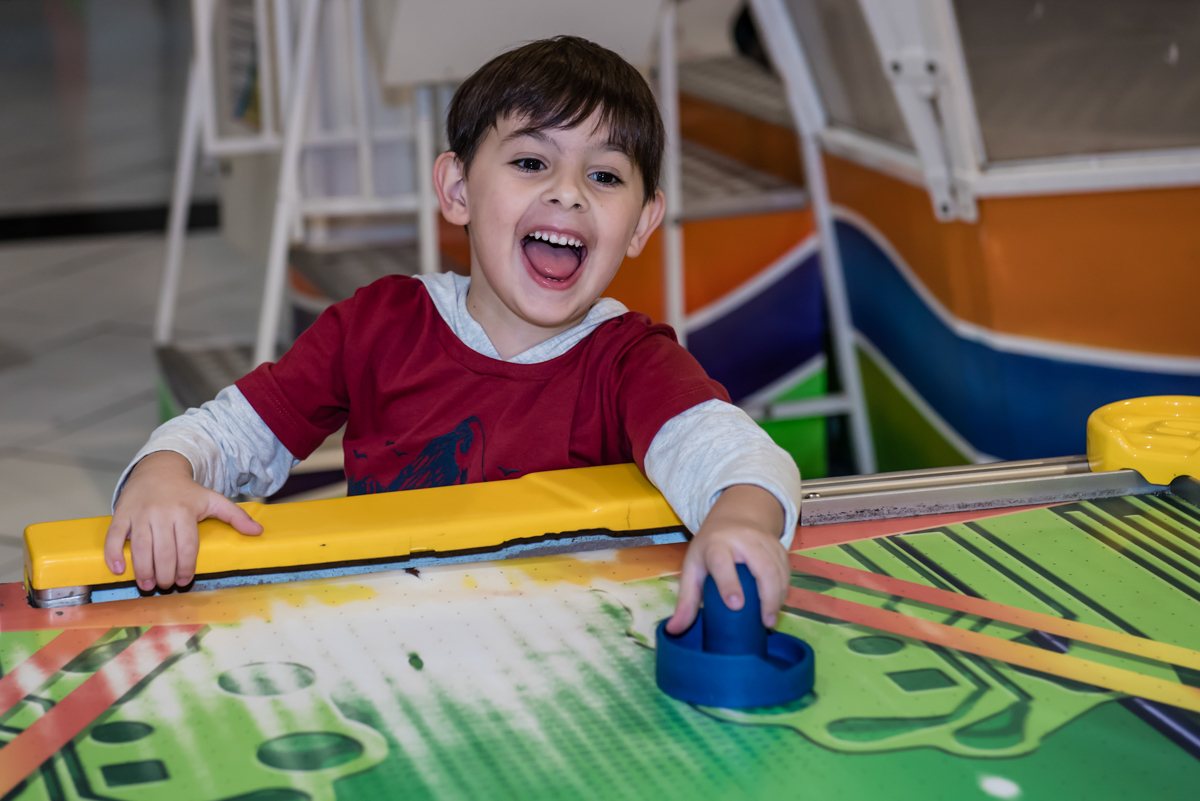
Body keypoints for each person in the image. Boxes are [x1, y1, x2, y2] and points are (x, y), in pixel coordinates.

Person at [107, 36, 801, 635]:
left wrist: (738, 520)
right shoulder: (379, 324)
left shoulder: (631, 361)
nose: (568, 192)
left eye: (604, 175)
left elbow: (740, 460)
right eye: (532, 162)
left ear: (644, 223)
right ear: (458, 189)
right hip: (387, 638)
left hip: (564, 660)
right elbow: (229, 433)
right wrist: (162, 476)